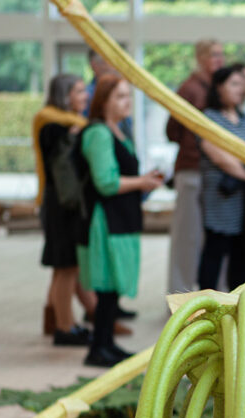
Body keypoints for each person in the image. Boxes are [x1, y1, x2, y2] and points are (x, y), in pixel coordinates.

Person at [79, 75, 164, 366]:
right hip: (106, 221)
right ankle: (98, 347)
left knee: (113, 287)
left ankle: (106, 343)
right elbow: (105, 182)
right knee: (106, 286)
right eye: (120, 96)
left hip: (123, 219)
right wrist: (141, 182)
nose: (127, 102)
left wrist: (143, 182)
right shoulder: (99, 133)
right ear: (103, 101)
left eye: (128, 95)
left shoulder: (119, 130)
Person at [33, 73, 94, 346]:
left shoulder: (69, 125)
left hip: (61, 202)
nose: (85, 96)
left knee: (65, 268)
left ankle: (66, 322)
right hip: (61, 204)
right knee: (65, 267)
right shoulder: (53, 126)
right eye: (79, 92)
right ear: (64, 95)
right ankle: (64, 328)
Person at [197, 65, 245, 291]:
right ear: (219, 88)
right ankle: (204, 307)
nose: (240, 89)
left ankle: (236, 305)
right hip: (222, 196)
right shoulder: (210, 118)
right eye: (234, 84)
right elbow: (219, 156)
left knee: (242, 253)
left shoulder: (244, 118)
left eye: (241, 84)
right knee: (215, 250)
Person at [166, 39, 225, 295]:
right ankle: (179, 294)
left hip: (213, 171)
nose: (219, 60)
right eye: (213, 55)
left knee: (213, 235)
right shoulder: (189, 89)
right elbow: (172, 130)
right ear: (201, 57)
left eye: (221, 55)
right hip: (191, 169)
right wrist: (197, 147)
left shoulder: (218, 86)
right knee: (186, 236)